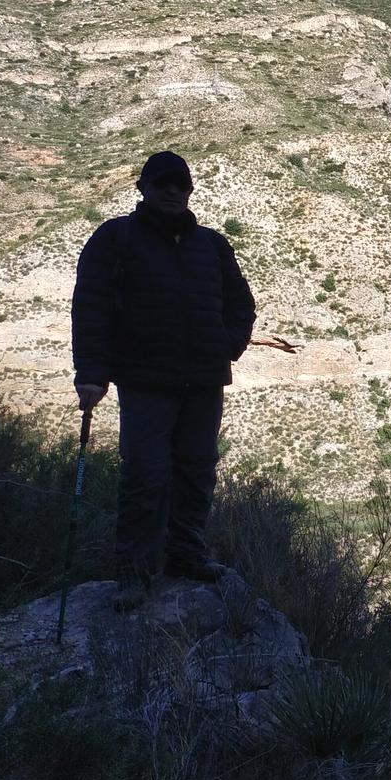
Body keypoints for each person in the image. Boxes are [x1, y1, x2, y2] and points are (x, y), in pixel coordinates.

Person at [71, 150, 256, 611]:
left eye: (181, 184)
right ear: (144, 189)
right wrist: (92, 374)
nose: (173, 191)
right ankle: (134, 574)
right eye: (162, 183)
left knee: (197, 470)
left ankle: (186, 555)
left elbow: (241, 304)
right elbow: (89, 309)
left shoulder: (211, 245)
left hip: (203, 381)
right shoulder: (116, 238)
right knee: (144, 476)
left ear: (190, 191)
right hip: (145, 381)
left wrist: (225, 346)